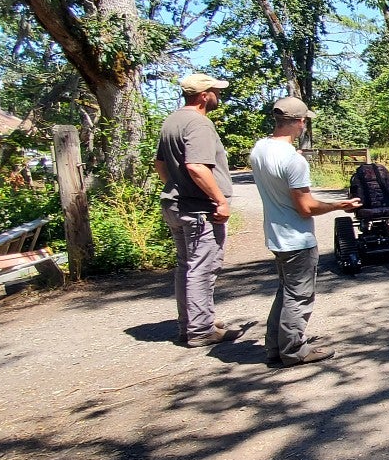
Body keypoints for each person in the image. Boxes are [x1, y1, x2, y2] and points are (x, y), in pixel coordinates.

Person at [249, 97, 362, 367]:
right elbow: (305, 207)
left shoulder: (259, 149)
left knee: (286, 290)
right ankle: (294, 349)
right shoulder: (293, 160)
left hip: (275, 234)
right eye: (304, 122)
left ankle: (275, 346)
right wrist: (339, 205)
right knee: (299, 295)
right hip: (296, 238)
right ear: (299, 123)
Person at [155, 73, 239, 348]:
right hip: (199, 209)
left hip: (176, 205)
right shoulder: (198, 123)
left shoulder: (172, 121)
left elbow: (160, 165)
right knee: (202, 268)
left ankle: (192, 322)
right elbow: (197, 166)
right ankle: (201, 330)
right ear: (204, 95)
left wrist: (176, 186)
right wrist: (219, 200)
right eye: (216, 91)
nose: (219, 95)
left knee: (186, 266)